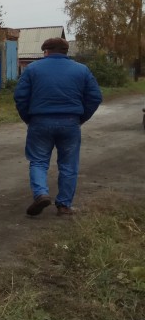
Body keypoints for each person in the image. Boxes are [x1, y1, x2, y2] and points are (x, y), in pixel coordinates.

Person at [14, 36, 102, 217]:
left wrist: (28, 118)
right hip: (70, 122)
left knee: (38, 161)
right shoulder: (81, 70)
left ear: (45, 52)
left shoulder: (32, 69)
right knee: (69, 165)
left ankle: (41, 194)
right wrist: (81, 118)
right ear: (65, 52)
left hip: (40, 121)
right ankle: (64, 206)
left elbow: (20, 97)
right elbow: (95, 97)